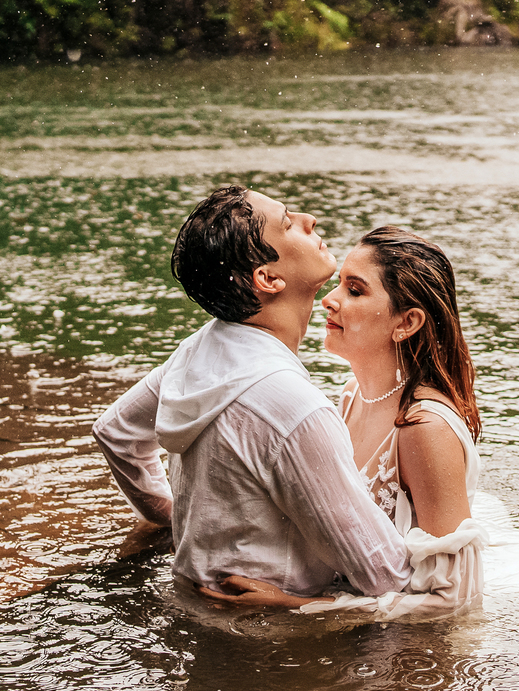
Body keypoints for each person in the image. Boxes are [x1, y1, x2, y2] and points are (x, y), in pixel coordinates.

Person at [92, 186, 411, 600]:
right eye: (288, 223)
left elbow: (115, 432)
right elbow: (385, 576)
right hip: (272, 630)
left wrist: (175, 523)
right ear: (269, 279)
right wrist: (299, 606)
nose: (309, 220)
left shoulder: (196, 350)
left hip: (190, 596)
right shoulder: (296, 409)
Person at [201, 226, 490, 619]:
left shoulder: (425, 428)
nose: (329, 300)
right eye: (338, 284)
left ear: (406, 323)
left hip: (412, 646)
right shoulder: (352, 395)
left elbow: (453, 598)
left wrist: (291, 605)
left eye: (354, 290)